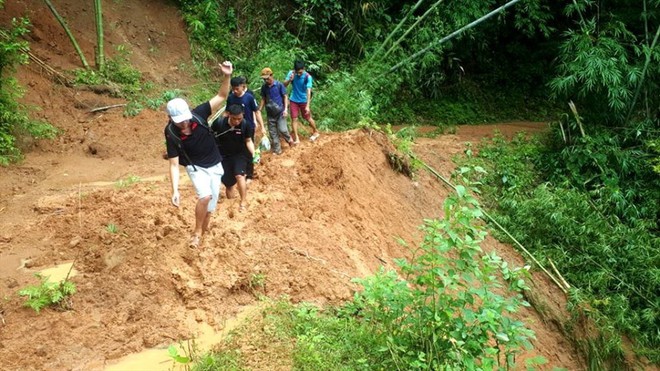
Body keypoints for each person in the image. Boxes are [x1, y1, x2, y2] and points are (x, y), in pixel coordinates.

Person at [164, 61, 233, 248]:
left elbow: (221, 95)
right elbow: (173, 164)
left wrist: (227, 76)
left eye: (185, 119)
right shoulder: (170, 132)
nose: (184, 124)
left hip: (215, 165)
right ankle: (195, 233)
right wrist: (175, 190)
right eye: (179, 122)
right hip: (196, 168)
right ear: (170, 118)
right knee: (204, 197)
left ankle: (203, 232)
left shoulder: (199, 114)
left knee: (210, 207)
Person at [212, 104, 255, 212]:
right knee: (229, 184)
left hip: (239, 154)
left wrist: (254, 154)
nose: (237, 122)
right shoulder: (219, 123)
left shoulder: (245, 125)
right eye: (234, 119)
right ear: (229, 115)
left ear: (243, 115)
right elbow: (210, 137)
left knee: (239, 175)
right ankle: (230, 204)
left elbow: (248, 141)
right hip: (223, 156)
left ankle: (243, 202)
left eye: (239, 119)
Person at [225, 76, 266, 180]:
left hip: (248, 127)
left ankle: (249, 174)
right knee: (234, 149)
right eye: (233, 88)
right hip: (233, 128)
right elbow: (227, 112)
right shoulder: (231, 97)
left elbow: (256, 111)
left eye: (237, 89)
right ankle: (237, 172)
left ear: (243, 87)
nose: (235, 91)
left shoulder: (249, 98)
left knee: (248, 150)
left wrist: (262, 126)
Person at [258, 67, 295, 155]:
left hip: (280, 112)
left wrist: (286, 109)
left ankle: (289, 140)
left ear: (271, 75)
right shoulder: (264, 88)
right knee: (273, 133)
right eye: (264, 79)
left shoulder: (279, 85)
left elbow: (285, 96)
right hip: (270, 113)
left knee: (283, 129)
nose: (266, 80)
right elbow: (263, 99)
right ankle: (277, 150)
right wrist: (259, 109)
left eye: (267, 78)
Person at [284, 60, 319, 143]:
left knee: (307, 117)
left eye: (300, 72)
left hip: (303, 100)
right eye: (297, 72)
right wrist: (289, 79)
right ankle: (297, 138)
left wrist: (308, 105)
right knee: (294, 118)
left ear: (304, 69)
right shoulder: (291, 73)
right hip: (293, 100)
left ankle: (315, 131)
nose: (298, 74)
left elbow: (308, 91)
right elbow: (284, 85)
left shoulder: (308, 77)